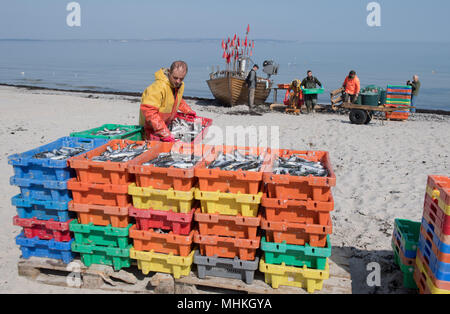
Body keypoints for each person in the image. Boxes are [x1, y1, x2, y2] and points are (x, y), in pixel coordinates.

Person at [139, 61, 196, 141]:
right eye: (175, 78)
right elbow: (149, 111)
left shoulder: (179, 85)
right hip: (150, 127)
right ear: (169, 73)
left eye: (181, 78)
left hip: (164, 125)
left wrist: (188, 111)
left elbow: (177, 99)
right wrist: (164, 132)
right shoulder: (158, 87)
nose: (178, 81)